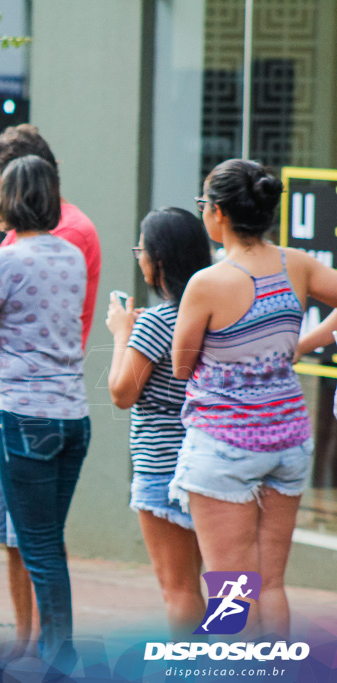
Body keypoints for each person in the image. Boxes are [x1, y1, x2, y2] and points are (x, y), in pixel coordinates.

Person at [171, 159, 337, 639]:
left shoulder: (207, 283)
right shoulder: (296, 264)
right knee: (271, 585)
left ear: (218, 213)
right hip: (288, 437)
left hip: (225, 443)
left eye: (204, 204)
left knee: (231, 592)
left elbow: (183, 367)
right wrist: (300, 344)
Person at [0, 123, 101, 655]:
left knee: (38, 545)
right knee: (34, 542)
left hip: (25, 411)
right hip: (64, 412)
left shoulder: (29, 249)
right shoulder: (62, 249)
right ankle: (35, 646)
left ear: (19, 189)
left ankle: (53, 653)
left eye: (0, 179)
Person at [105, 208, 211, 638]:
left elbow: (121, 392)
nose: (139, 258)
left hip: (163, 464)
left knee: (180, 590)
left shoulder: (155, 321)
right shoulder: (215, 315)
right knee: (227, 586)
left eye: (141, 251)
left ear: (159, 259)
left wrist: (120, 334)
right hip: (215, 457)